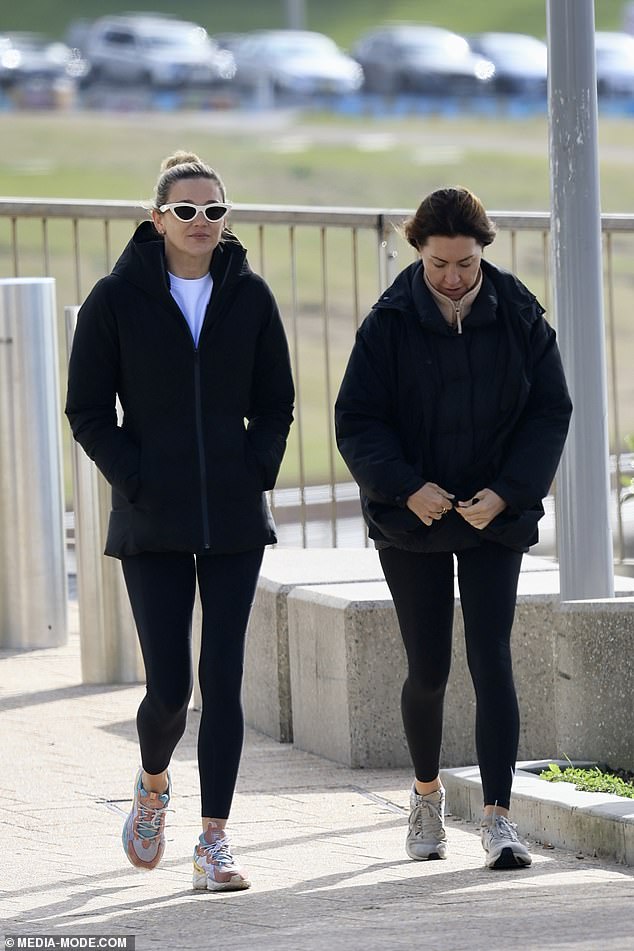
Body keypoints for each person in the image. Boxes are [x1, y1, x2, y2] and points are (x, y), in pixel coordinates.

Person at [66, 151, 294, 891]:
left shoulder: (251, 297)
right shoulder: (116, 298)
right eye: (187, 211)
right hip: (152, 518)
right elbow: (88, 409)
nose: (203, 224)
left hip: (232, 513)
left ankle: (214, 841)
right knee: (168, 687)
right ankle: (154, 783)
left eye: (215, 211)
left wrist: (253, 467)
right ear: (156, 217)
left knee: (221, 678)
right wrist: (136, 476)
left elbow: (278, 400)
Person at [335, 186, 572, 869]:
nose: (453, 277)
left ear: (482, 252)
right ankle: (427, 796)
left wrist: (507, 492)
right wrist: (409, 488)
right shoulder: (387, 323)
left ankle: (499, 817)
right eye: (439, 264)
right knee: (430, 666)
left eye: (465, 263)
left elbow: (550, 410)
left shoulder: (519, 311)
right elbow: (358, 420)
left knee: (491, 657)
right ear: (418, 253)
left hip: (493, 515)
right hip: (413, 518)